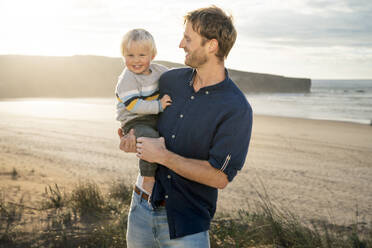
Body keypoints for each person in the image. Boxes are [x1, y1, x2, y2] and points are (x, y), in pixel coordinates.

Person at [119, 6, 253, 247]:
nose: (181, 44)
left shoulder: (236, 109)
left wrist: (163, 156)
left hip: (186, 226)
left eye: (188, 39)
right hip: (140, 207)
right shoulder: (169, 80)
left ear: (211, 46)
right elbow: (140, 116)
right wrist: (131, 138)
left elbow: (219, 177)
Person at [115, 28, 172, 194]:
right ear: (123, 56)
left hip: (152, 117)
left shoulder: (158, 70)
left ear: (152, 56)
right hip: (134, 121)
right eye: (130, 55)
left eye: (142, 55)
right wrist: (159, 106)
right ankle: (148, 176)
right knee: (150, 139)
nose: (136, 60)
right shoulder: (127, 79)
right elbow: (134, 105)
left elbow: (175, 76)